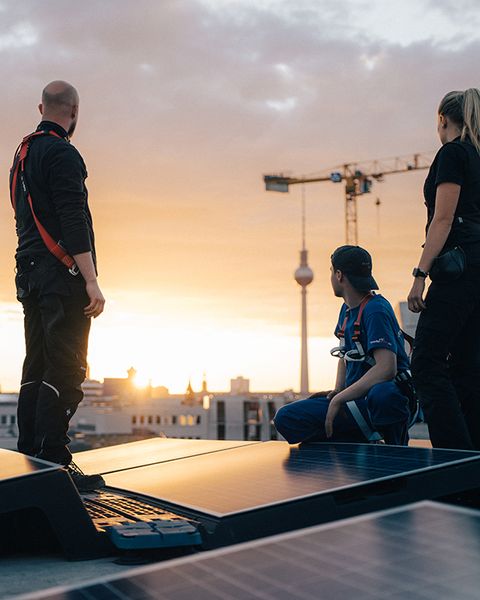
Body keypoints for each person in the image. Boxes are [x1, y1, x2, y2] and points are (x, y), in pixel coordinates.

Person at [9, 81, 106, 490]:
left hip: (28, 272)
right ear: (75, 111)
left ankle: (31, 452)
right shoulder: (63, 154)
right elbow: (72, 217)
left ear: (41, 107)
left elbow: (21, 215)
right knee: (66, 368)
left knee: (36, 364)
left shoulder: (22, 153)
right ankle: (55, 462)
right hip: (60, 275)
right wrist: (90, 279)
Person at [274, 245, 411, 446]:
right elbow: (345, 355)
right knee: (286, 417)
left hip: (378, 401)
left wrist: (340, 400)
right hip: (354, 402)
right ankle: (354, 438)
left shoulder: (376, 310)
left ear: (339, 275)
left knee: (383, 394)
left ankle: (394, 445)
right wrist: (338, 391)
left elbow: (386, 368)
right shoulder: (346, 310)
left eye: (331, 271)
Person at [408, 88, 480, 451]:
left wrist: (420, 276)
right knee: (467, 369)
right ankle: (471, 470)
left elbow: (444, 217)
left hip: (459, 270)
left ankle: (454, 464)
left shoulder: (452, 153)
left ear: (443, 120)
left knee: (426, 363)